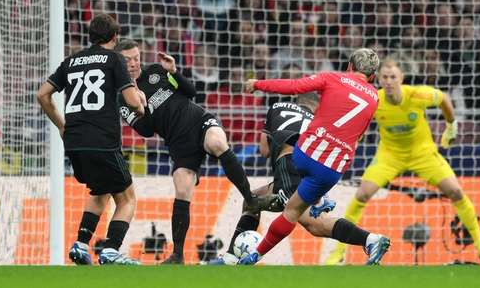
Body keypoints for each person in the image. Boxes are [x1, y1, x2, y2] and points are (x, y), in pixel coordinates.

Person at [113, 39, 277, 265]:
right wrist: (142, 106)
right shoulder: (122, 96)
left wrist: (174, 72)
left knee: (219, 144)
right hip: (178, 142)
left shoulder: (157, 70)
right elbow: (147, 131)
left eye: (136, 57)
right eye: (127, 60)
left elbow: (191, 91)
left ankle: (250, 198)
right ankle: (178, 255)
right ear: (119, 62)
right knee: (181, 188)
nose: (133, 63)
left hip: (198, 121)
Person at [324, 59, 480, 265]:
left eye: (393, 77)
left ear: (401, 79)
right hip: (390, 156)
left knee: (456, 192)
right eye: (385, 78)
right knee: (361, 194)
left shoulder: (417, 95)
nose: (389, 82)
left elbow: (444, 98)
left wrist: (451, 128)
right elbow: (359, 123)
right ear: (379, 80)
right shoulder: (374, 100)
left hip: (423, 154)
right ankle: (339, 251)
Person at [238, 48, 389, 265]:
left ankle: (254, 255)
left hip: (304, 154)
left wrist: (258, 84)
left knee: (291, 211)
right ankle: (323, 203)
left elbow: (294, 87)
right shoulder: (374, 97)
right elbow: (358, 134)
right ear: (372, 77)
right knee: (297, 209)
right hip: (331, 169)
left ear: (349, 66)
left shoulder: (331, 77)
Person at [208, 93, 390, 265]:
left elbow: (264, 151)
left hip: (288, 168)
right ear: (317, 108)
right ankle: (231, 258)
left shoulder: (277, 107)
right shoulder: (320, 121)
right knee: (252, 201)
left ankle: (371, 239)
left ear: (297, 102)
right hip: (309, 171)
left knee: (317, 225)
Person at [36, 14, 146, 266]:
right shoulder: (114, 59)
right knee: (127, 198)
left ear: (90, 36)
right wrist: (141, 108)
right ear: (114, 37)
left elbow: (43, 95)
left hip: (74, 141)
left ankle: (80, 245)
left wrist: (62, 126)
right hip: (102, 140)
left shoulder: (71, 61)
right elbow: (131, 102)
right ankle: (111, 250)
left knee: (103, 190)